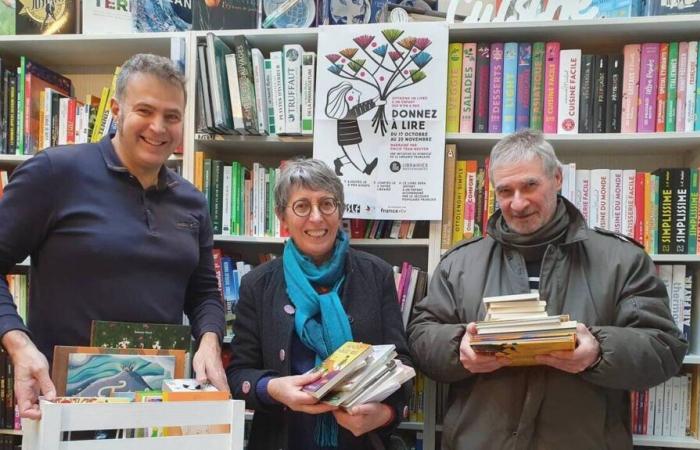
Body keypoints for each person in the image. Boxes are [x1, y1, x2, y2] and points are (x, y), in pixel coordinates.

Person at [407, 129, 687, 450]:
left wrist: (597, 351)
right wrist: (460, 348)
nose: (518, 202)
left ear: (556, 178)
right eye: (505, 190)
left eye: (530, 185)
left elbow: (663, 349)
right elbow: (421, 337)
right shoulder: (460, 262)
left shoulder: (622, 260)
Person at [0, 53, 227, 420]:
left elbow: (203, 293)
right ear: (117, 111)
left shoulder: (192, 201)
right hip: (64, 406)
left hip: (156, 408)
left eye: (172, 116)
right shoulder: (54, 173)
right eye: (145, 111)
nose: (158, 127)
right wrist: (17, 342)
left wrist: (210, 340)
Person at [226, 158, 411, 450]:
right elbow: (238, 375)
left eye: (327, 204)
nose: (316, 218)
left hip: (359, 441)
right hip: (283, 439)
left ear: (340, 211)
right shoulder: (258, 284)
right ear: (282, 217)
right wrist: (274, 388)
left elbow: (401, 361)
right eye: (302, 206)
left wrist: (384, 414)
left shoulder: (376, 274)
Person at [325, 82, 380, 177]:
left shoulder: (347, 110)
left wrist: (374, 100)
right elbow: (360, 109)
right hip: (348, 139)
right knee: (355, 155)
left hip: (351, 137)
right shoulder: (345, 113)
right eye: (356, 98)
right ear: (347, 98)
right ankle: (366, 169)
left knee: (352, 155)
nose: (358, 100)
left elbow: (360, 107)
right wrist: (375, 104)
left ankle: (339, 162)